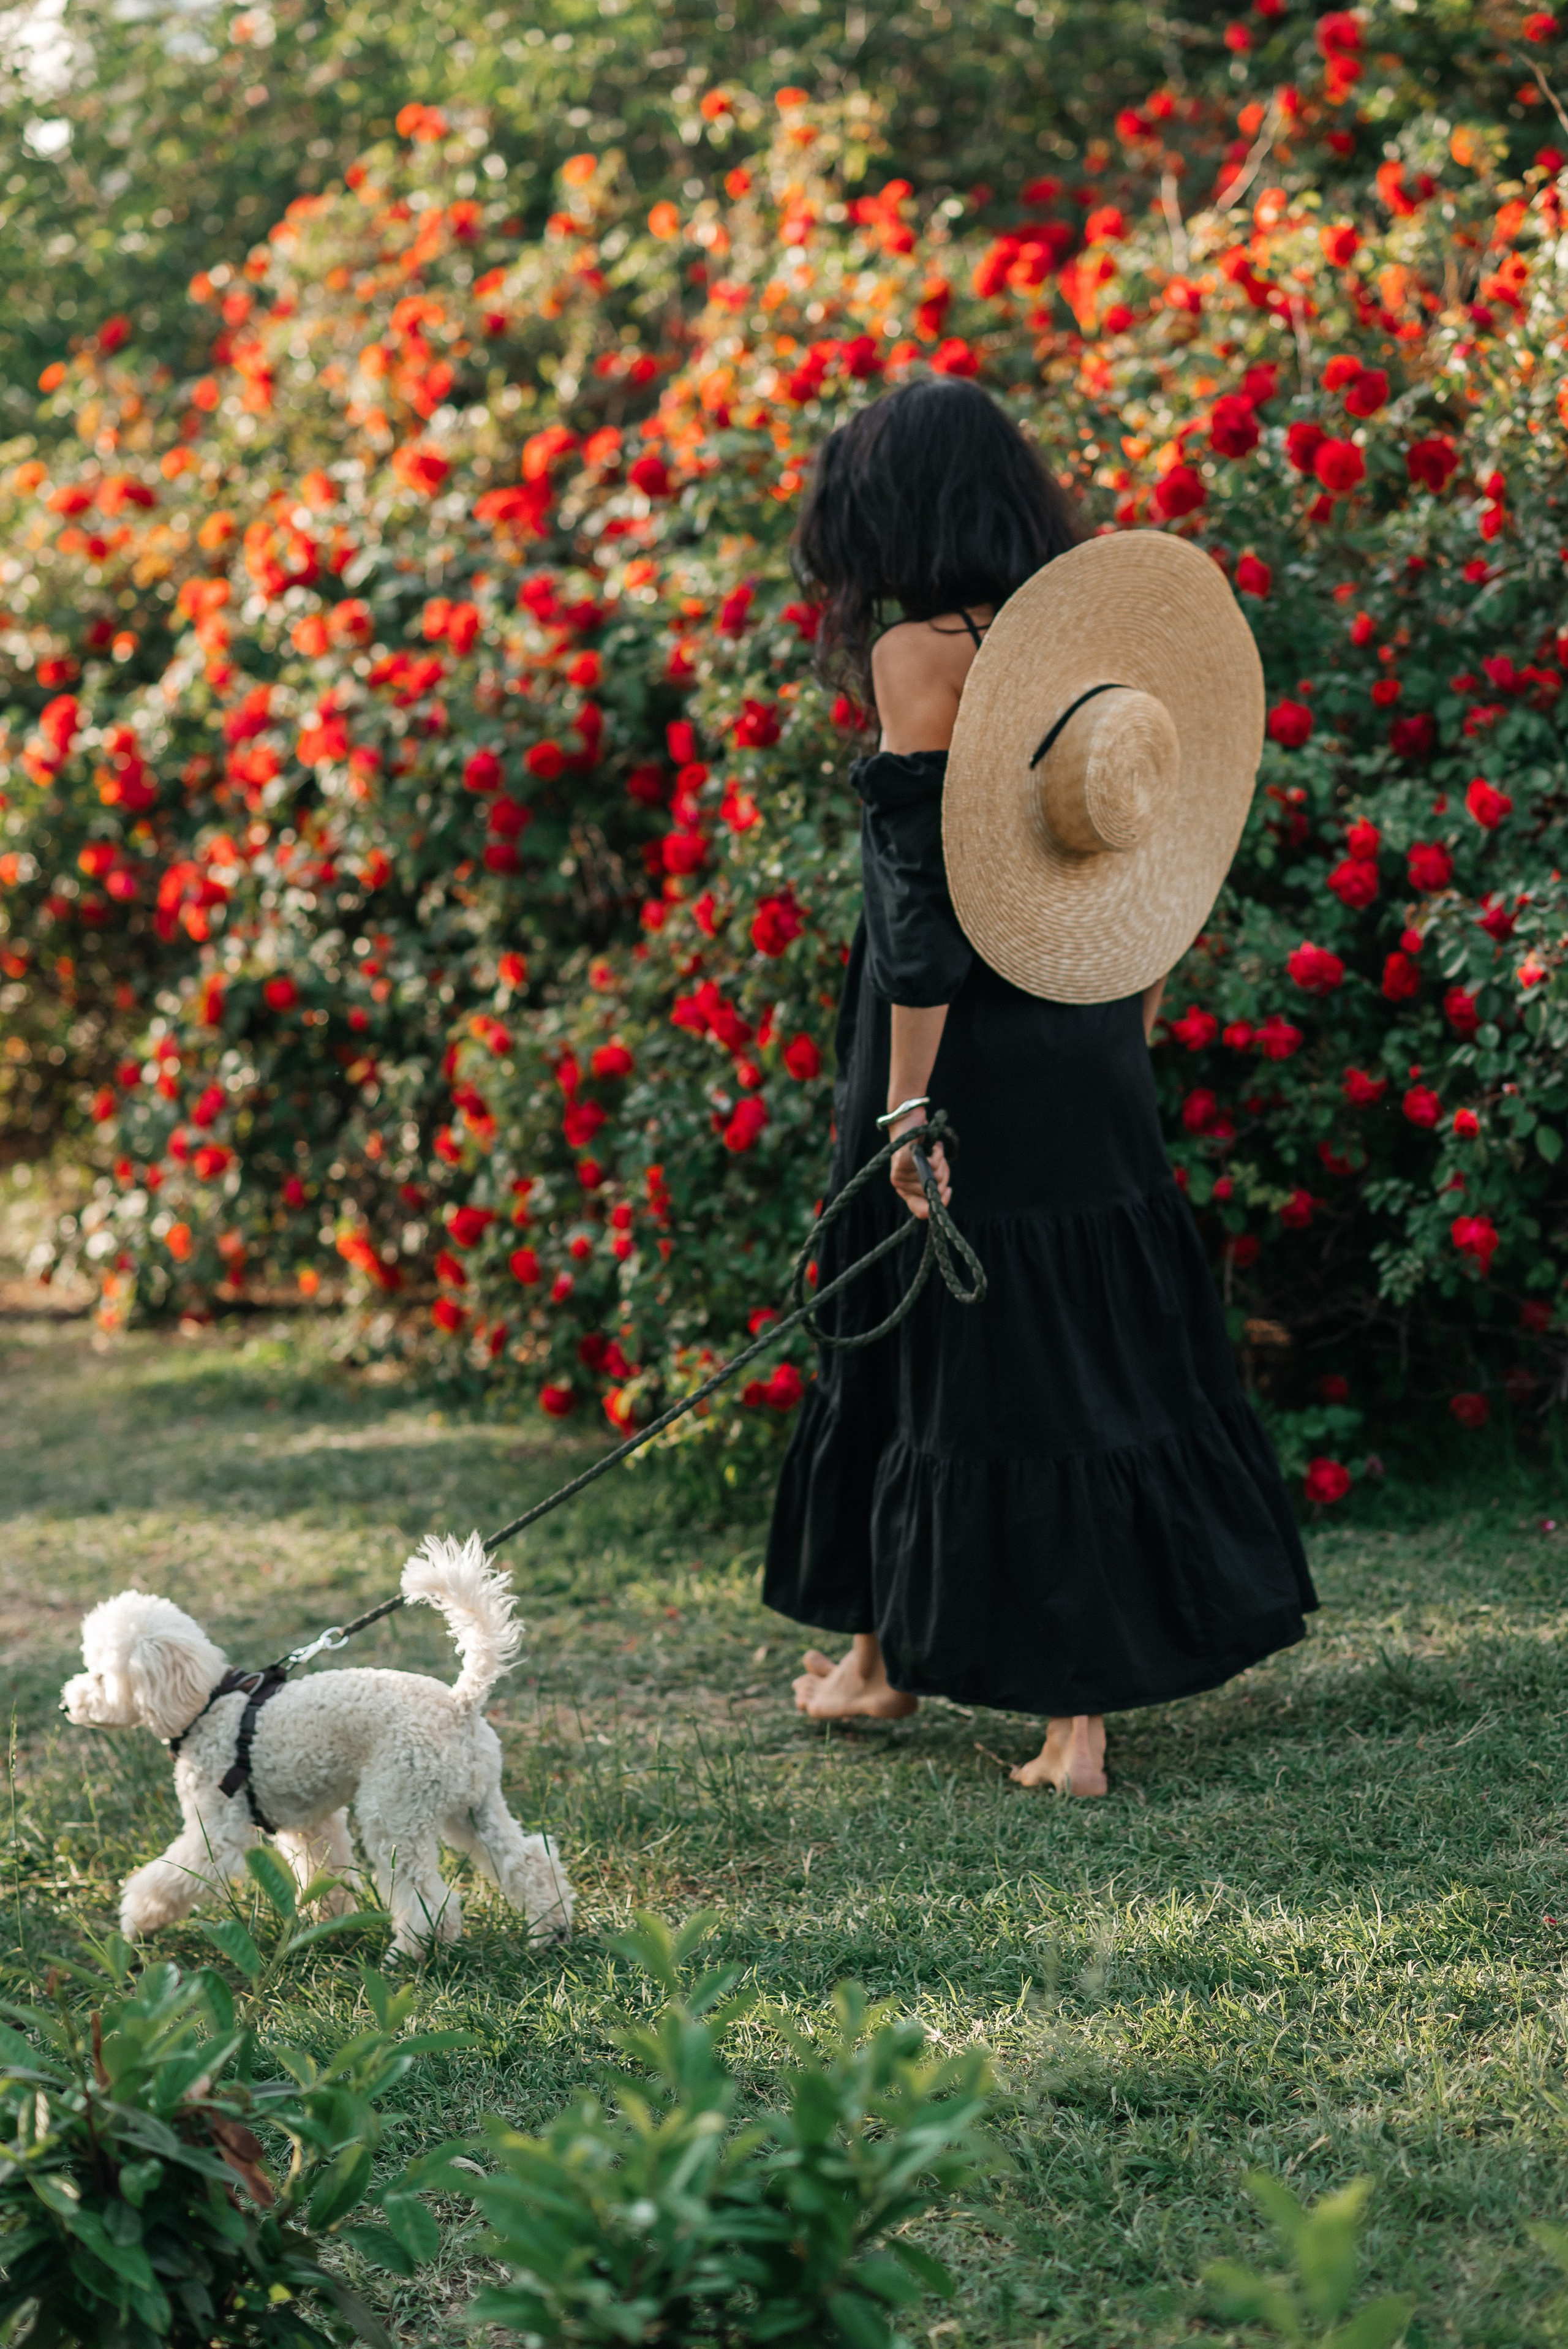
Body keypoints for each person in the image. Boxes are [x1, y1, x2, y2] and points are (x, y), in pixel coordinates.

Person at [762, 374, 1316, 1795]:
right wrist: (1116, 1016)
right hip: (1080, 1016)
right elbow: (1154, 854)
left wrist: (902, 1105)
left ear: (893, 507)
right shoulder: (1080, 634)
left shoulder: (918, 652)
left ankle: (1070, 1729)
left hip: (954, 1041)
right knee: (1068, 1345)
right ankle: (880, 1662)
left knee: (944, 1332)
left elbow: (915, 908)